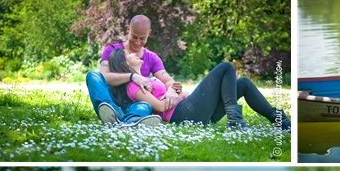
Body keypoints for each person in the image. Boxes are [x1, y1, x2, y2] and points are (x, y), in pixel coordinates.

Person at [109, 46, 290, 133]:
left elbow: (175, 88)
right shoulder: (133, 86)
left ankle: (279, 119)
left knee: (242, 84)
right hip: (183, 114)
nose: (134, 53)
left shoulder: (145, 79)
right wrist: (173, 94)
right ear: (125, 64)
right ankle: (235, 120)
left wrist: (174, 91)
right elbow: (160, 106)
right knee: (225, 67)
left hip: (191, 110)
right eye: (130, 54)